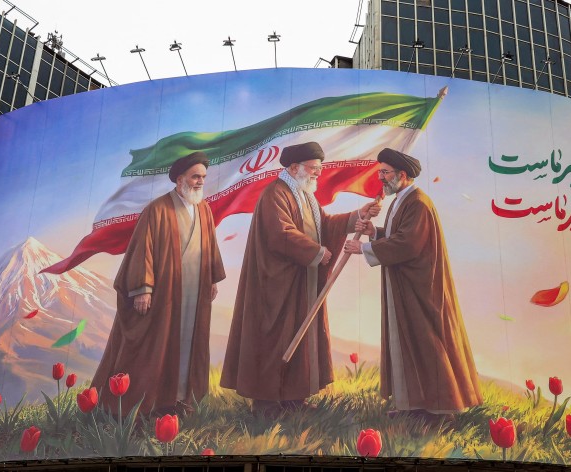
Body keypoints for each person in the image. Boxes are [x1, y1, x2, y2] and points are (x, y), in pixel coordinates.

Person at [221, 142, 379, 412]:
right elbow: (280, 233)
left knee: (299, 338)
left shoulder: (304, 195)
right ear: (294, 168)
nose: (318, 173)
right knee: (274, 339)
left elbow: (324, 225)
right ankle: (267, 403)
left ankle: (294, 399)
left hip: (300, 282)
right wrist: (316, 251)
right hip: (276, 285)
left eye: (319, 168)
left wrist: (358, 215)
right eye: (313, 168)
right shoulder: (275, 194)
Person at [343, 148, 481, 419]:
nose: (380, 178)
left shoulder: (418, 203)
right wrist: (375, 233)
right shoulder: (402, 200)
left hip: (421, 289)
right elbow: (398, 235)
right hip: (406, 286)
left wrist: (365, 248)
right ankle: (415, 407)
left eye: (385, 173)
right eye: (380, 172)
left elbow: (408, 243)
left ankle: (440, 412)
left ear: (402, 174)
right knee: (409, 344)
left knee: (427, 344)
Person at [92, 151, 226, 417]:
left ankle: (180, 400)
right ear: (180, 179)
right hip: (165, 293)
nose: (200, 182)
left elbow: (210, 247)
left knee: (189, 345)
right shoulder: (158, 209)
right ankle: (150, 404)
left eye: (203, 177)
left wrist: (212, 278)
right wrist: (143, 288)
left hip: (195, 293)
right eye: (195, 177)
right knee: (157, 347)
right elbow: (143, 250)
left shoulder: (204, 210)